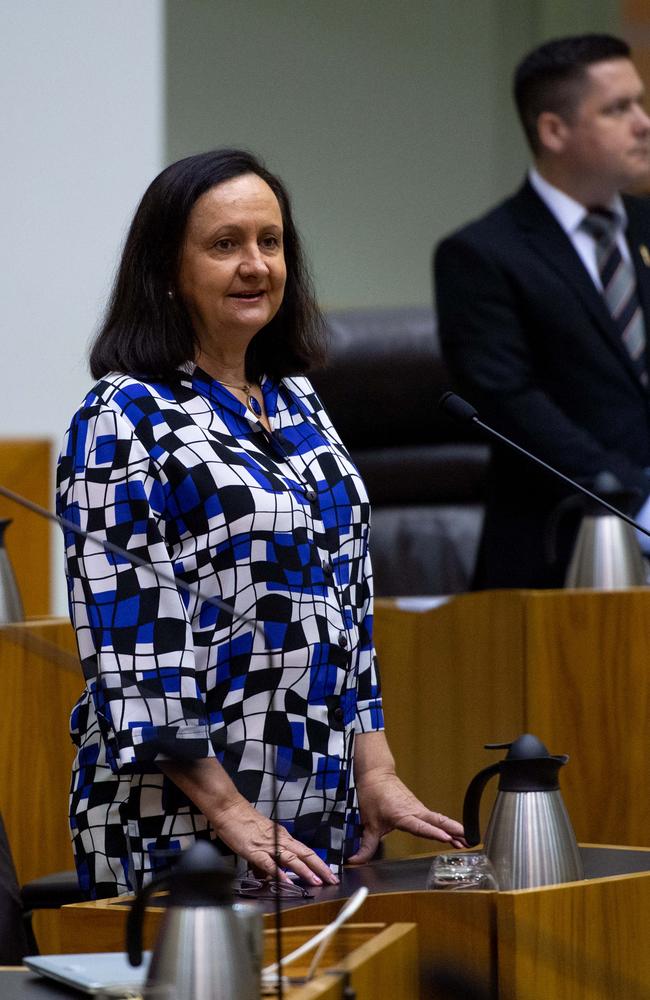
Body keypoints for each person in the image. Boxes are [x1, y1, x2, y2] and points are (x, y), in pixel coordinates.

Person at [57, 149, 464, 899]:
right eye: (225, 245)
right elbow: (132, 648)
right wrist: (229, 811)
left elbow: (346, 610)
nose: (255, 265)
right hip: (179, 819)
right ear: (168, 270)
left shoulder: (296, 399)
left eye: (270, 242)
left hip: (316, 802)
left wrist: (379, 774)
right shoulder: (123, 415)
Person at [434, 34, 650, 589]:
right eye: (618, 109)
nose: (643, 123)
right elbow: (510, 404)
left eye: (640, 103)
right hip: (563, 553)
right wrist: (639, 500)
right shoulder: (482, 254)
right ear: (554, 130)